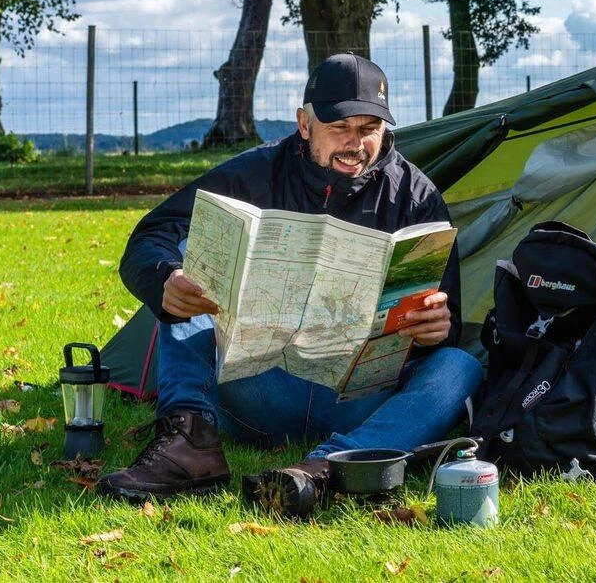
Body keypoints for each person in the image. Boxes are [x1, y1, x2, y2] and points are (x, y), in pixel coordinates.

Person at [96, 53, 482, 517]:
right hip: (259, 390)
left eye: (369, 129)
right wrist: (166, 279)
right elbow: (151, 236)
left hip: (359, 397)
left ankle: (325, 471)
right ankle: (190, 443)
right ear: (304, 123)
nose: (355, 144)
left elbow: (446, 321)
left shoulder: (417, 197)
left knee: (460, 366)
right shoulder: (252, 173)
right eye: (340, 127)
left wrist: (436, 329)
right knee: (184, 296)